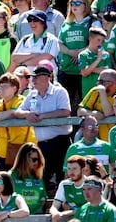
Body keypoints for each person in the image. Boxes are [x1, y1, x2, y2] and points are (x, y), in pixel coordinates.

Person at [13, 61, 72, 190]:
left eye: (36, 77)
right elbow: (18, 111)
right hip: (42, 144)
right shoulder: (32, 94)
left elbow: (65, 111)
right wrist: (27, 114)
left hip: (60, 142)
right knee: (42, 177)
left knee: (62, 175)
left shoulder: (59, 92)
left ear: (46, 77)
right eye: (32, 77)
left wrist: (44, 116)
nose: (33, 80)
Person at [0, 73, 36, 169]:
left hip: (23, 150)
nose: (1, 89)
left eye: (5, 86)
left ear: (14, 88)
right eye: (0, 86)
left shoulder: (22, 101)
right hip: (2, 152)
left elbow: (12, 113)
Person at [49, 155, 87, 222]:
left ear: (83, 170)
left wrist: (64, 213)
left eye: (74, 169)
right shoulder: (64, 184)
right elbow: (54, 206)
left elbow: (89, 208)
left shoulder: (90, 183)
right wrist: (55, 213)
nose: (71, 172)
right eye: (69, 169)